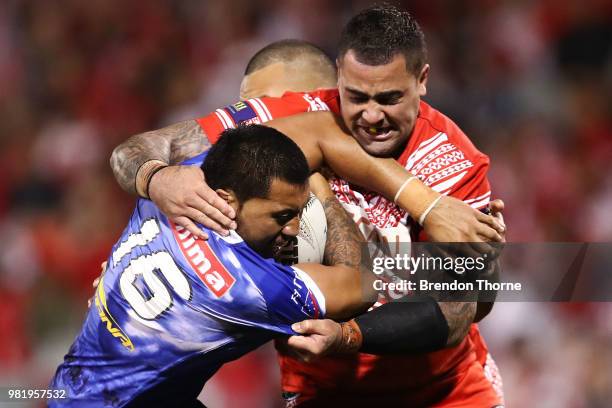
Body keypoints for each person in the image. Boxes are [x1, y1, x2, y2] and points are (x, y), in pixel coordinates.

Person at [109, 11, 506, 406]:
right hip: (323, 388)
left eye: (388, 98)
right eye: (356, 97)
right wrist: (157, 179)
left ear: (421, 82)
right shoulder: (284, 118)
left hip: (444, 390)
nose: (371, 115)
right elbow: (136, 151)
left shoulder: (452, 160)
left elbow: (459, 310)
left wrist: (351, 334)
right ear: (337, 80)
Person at [51, 125, 384, 407]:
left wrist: (156, 176)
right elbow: (366, 282)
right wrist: (323, 196)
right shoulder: (250, 289)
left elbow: (129, 153)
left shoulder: (176, 186)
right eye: (281, 216)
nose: (294, 228)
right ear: (227, 201)